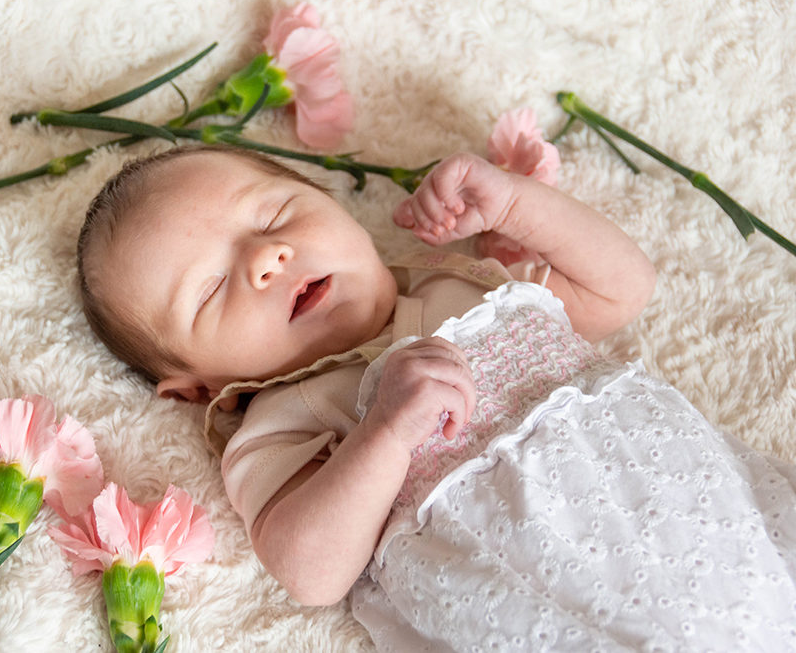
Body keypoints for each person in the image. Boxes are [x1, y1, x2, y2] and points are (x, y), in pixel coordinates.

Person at [76, 143, 796, 651]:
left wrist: (517, 203)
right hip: (547, 578)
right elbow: (310, 570)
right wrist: (383, 434)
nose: (267, 259)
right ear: (199, 386)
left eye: (275, 217)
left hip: (676, 501)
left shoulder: (464, 282)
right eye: (210, 288)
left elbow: (623, 286)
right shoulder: (281, 420)